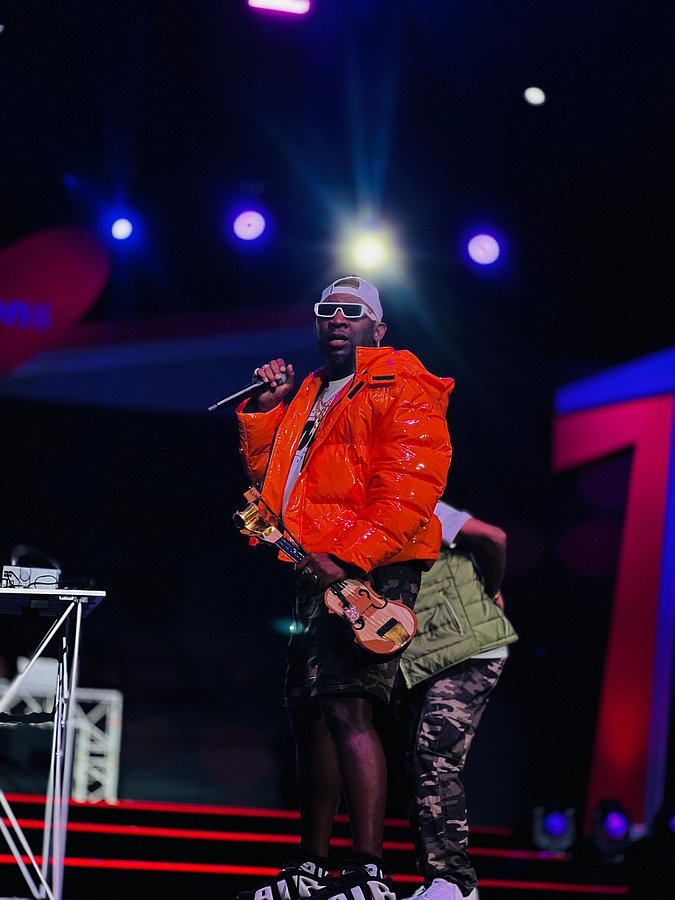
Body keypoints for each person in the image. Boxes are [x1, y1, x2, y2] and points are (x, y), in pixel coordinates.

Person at [235, 276, 453, 900]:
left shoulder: (401, 381)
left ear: (377, 328)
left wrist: (351, 557)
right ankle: (310, 867)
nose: (337, 319)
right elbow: (278, 486)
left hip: (372, 566)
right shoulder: (310, 390)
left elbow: (411, 484)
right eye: (327, 310)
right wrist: (268, 410)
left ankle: (367, 870)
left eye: (352, 312)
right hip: (316, 564)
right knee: (309, 714)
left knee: (348, 705)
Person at [395, 500, 518, 900]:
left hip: (469, 648)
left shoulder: (413, 501)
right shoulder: (362, 515)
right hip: (426, 658)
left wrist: (491, 591)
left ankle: (455, 883)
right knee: (418, 764)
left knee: (434, 756)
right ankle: (438, 881)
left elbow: (493, 537)